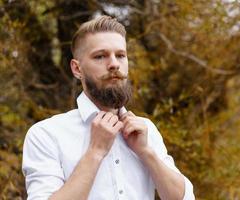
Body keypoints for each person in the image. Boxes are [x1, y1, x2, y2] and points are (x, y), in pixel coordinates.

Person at [22, 15, 195, 200]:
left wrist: (146, 152)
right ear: (77, 69)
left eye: (120, 55)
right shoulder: (45, 135)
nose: (114, 64)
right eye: (100, 56)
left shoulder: (146, 130)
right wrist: (95, 151)